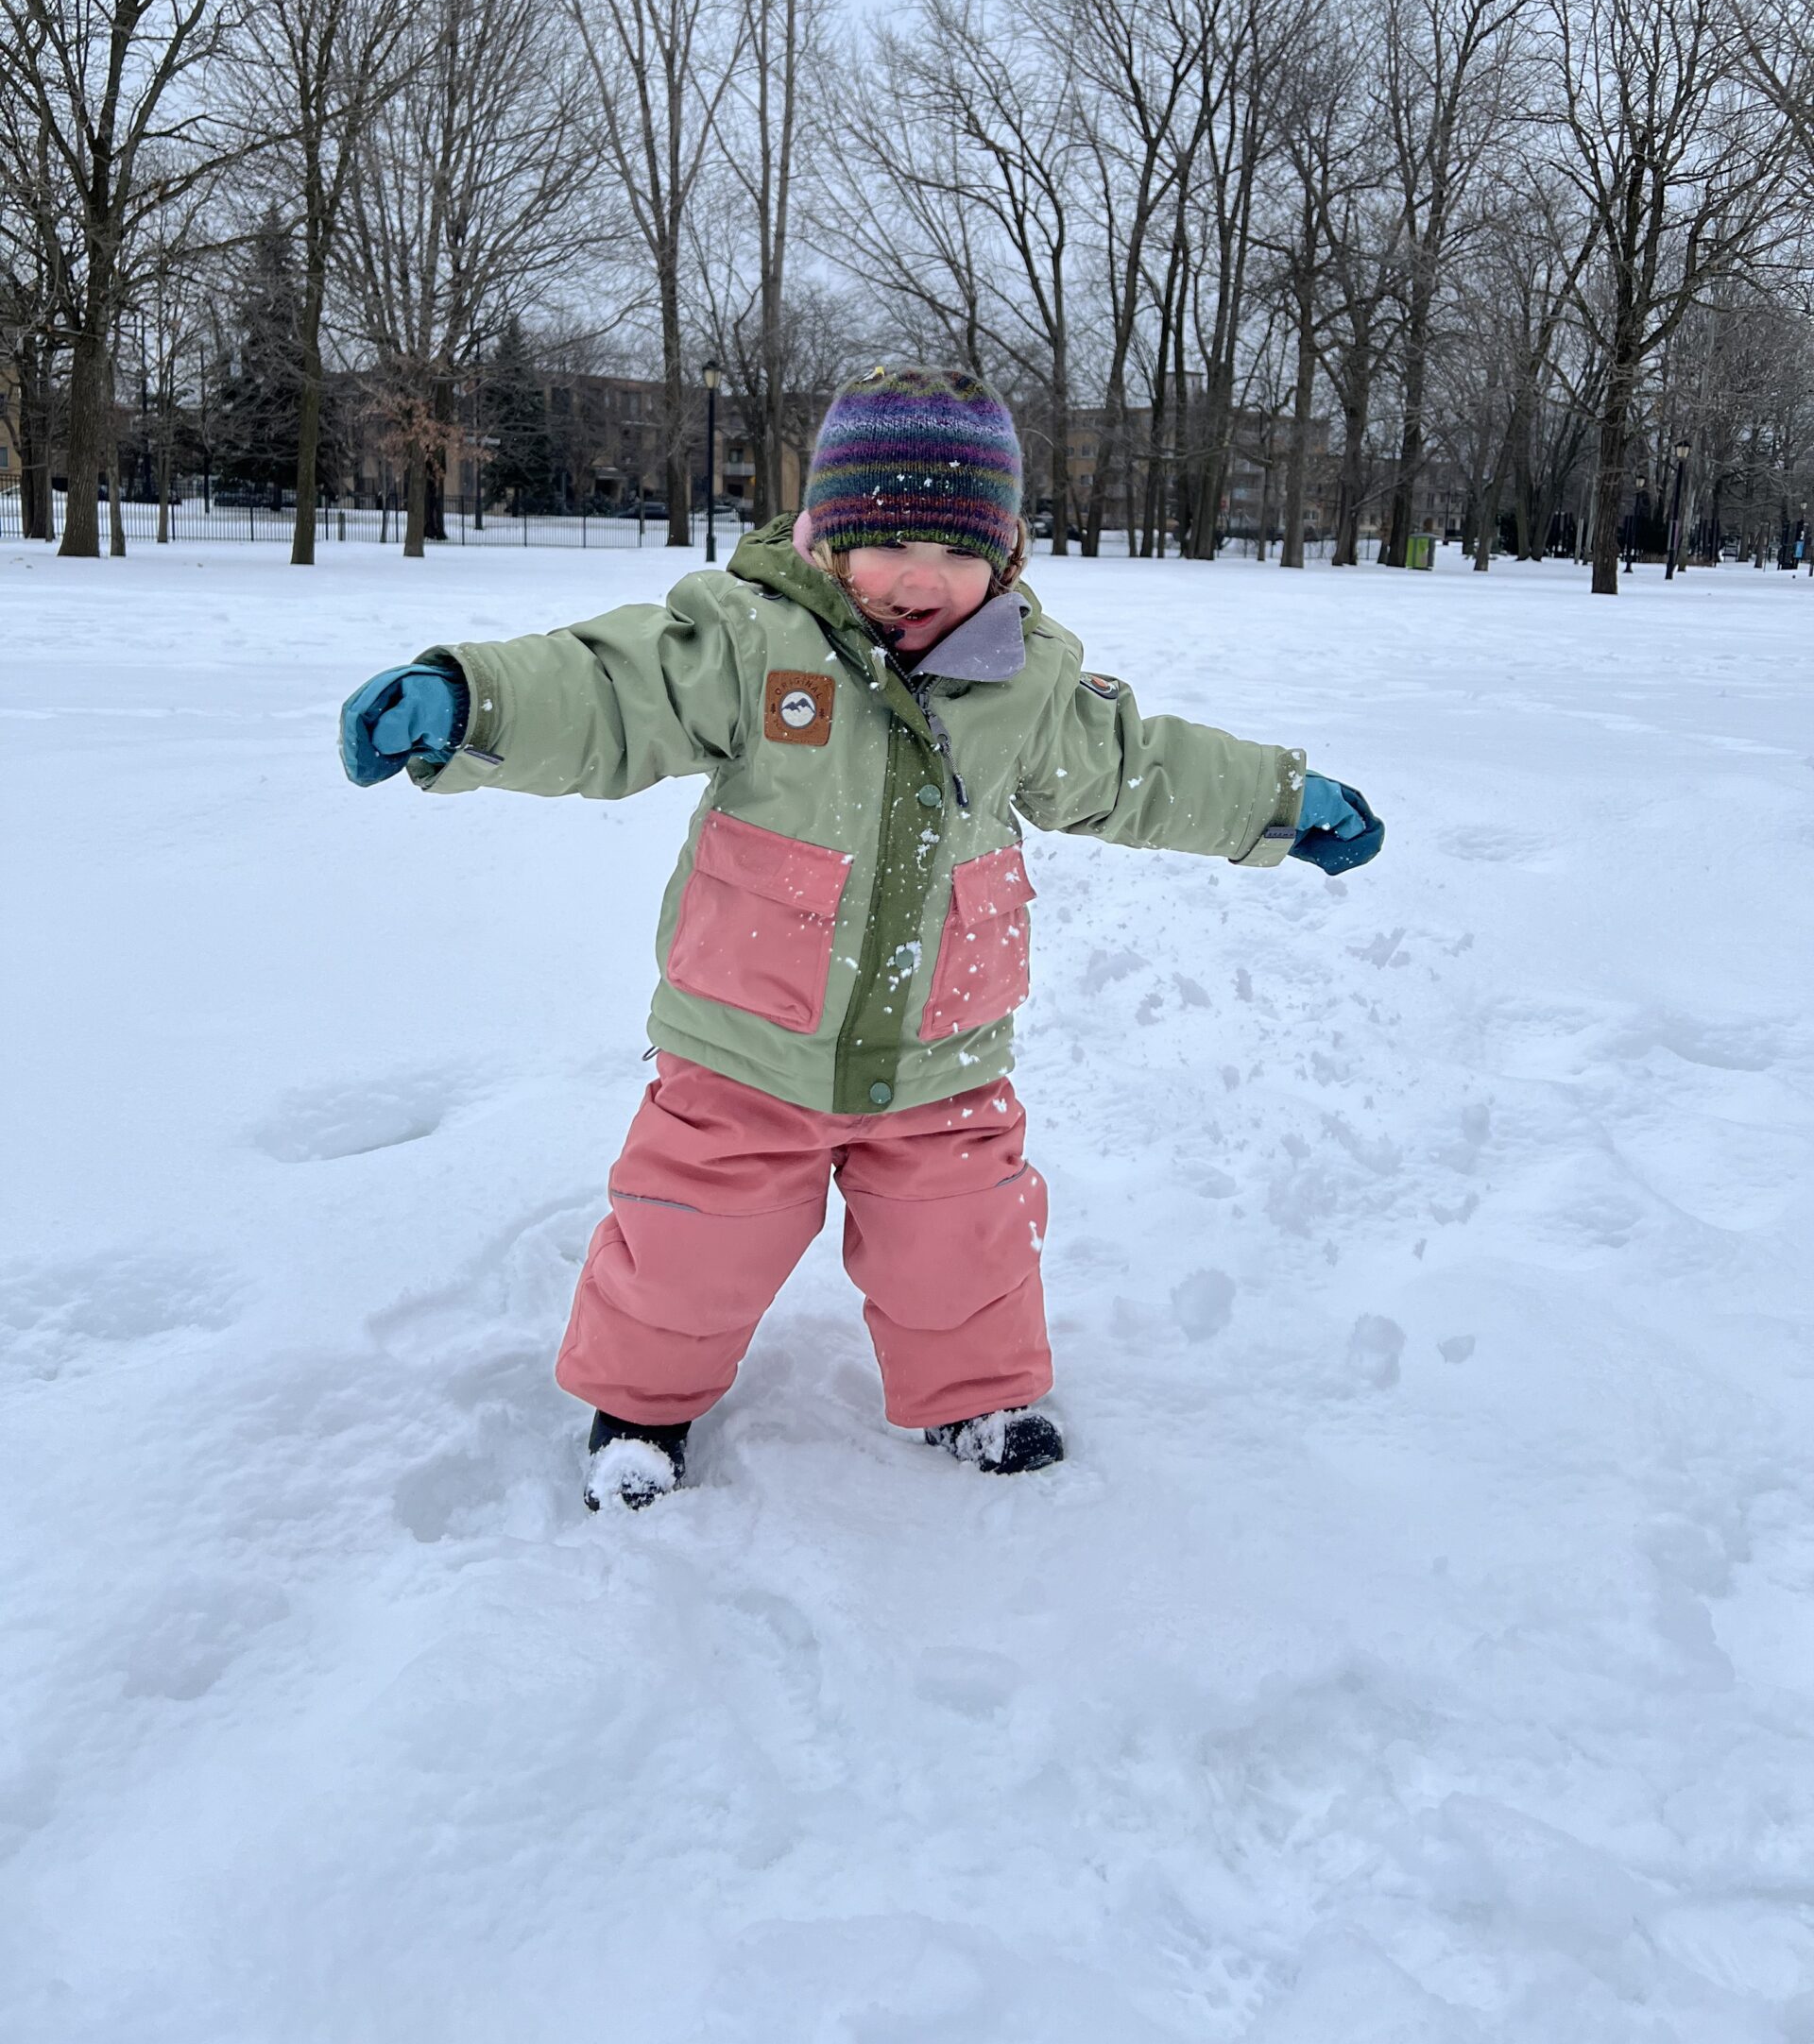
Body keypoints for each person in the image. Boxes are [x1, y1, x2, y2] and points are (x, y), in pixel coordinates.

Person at [339, 366, 1383, 1509]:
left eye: (957, 550)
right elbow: (611, 692)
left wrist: (1278, 804)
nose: (921, 577)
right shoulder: (750, 640)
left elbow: (1140, 768)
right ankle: (640, 1407)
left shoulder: (1028, 681)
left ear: (1007, 555)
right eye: (888, 542)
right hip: (746, 1049)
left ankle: (976, 1395)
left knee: (964, 1241)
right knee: (690, 1239)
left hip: (943, 1057)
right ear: (830, 538)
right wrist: (472, 703)